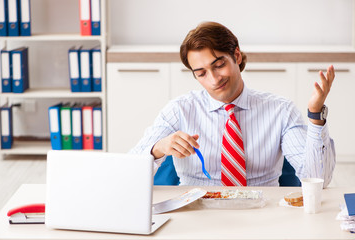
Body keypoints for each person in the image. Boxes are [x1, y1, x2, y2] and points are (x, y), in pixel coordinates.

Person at [130, 21, 336, 187]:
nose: (213, 79)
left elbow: (319, 180)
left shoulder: (281, 111)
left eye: (219, 65)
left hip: (263, 213)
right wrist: (157, 148)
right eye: (201, 73)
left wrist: (316, 114)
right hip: (198, 212)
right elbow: (128, 170)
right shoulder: (179, 110)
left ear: (236, 56)